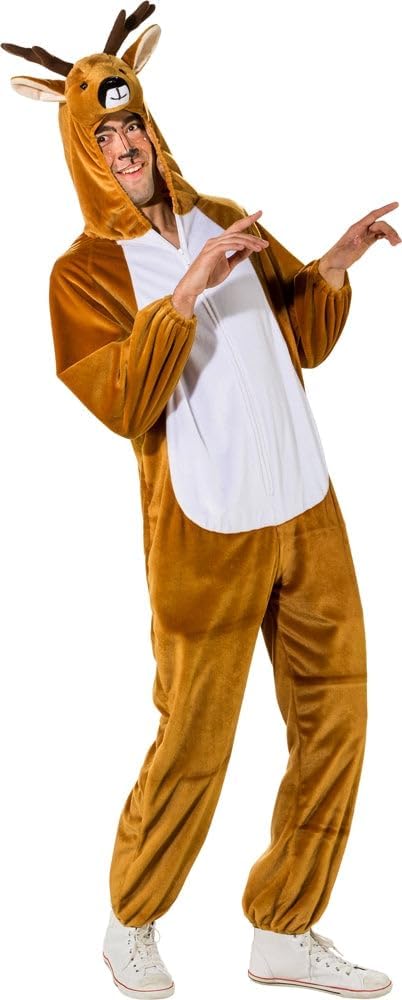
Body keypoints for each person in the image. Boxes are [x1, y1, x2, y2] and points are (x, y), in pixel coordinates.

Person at [1, 5, 399, 998]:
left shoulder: (222, 215)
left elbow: (299, 335)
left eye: (131, 124)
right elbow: (124, 402)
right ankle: (130, 919)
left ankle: (286, 928)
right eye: (103, 136)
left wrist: (331, 266)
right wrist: (182, 296)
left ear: (152, 125)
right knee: (194, 738)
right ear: (82, 153)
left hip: (305, 507)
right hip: (202, 531)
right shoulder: (82, 275)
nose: (125, 146)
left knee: (338, 716)